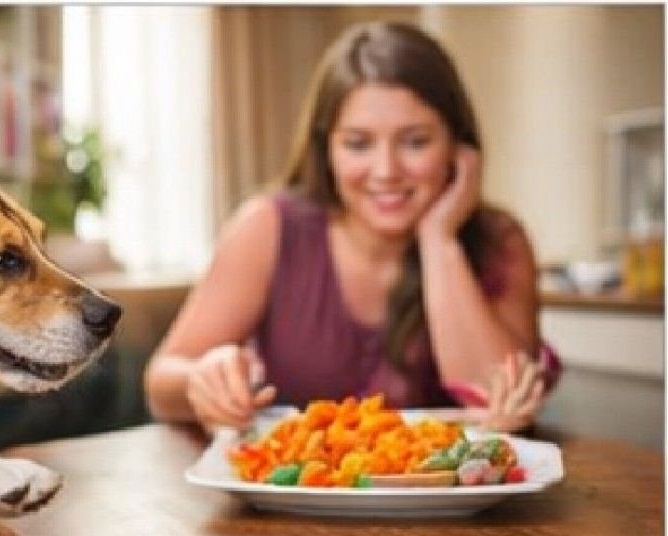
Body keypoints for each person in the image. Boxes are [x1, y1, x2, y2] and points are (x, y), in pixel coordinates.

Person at [144, 21, 559, 433]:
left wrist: (439, 239)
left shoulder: (500, 240)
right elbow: (161, 383)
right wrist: (203, 378)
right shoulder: (267, 226)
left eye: (416, 142)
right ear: (327, 149)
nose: (386, 171)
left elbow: (500, 400)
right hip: (295, 493)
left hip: (447, 495)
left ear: (457, 145)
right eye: (358, 143)